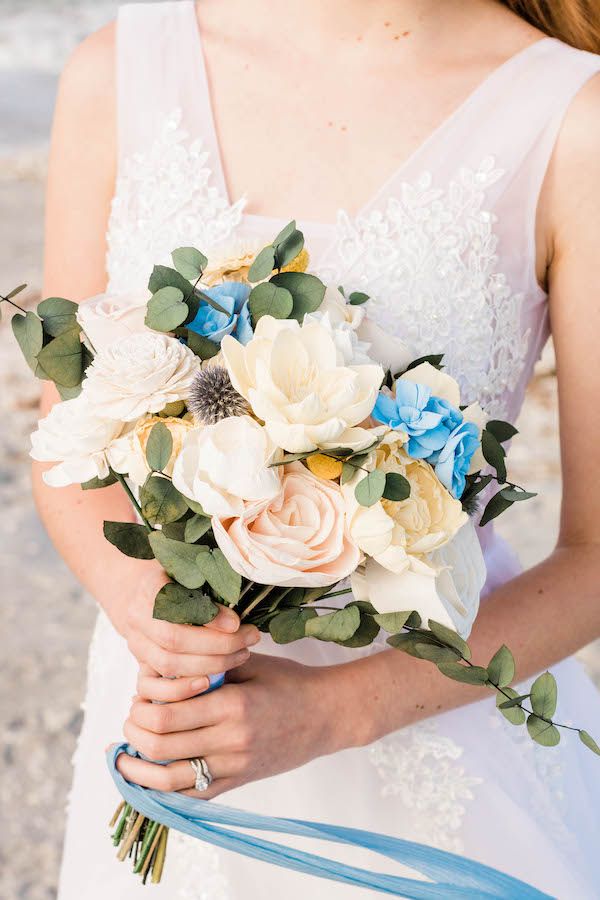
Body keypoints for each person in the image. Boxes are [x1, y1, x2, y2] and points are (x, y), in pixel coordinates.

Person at [38, 1, 600, 897]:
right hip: (171, 728)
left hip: (432, 735)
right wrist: (152, 605)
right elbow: (59, 440)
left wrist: (336, 711)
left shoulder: (573, 119)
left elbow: (596, 559)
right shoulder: (119, 69)